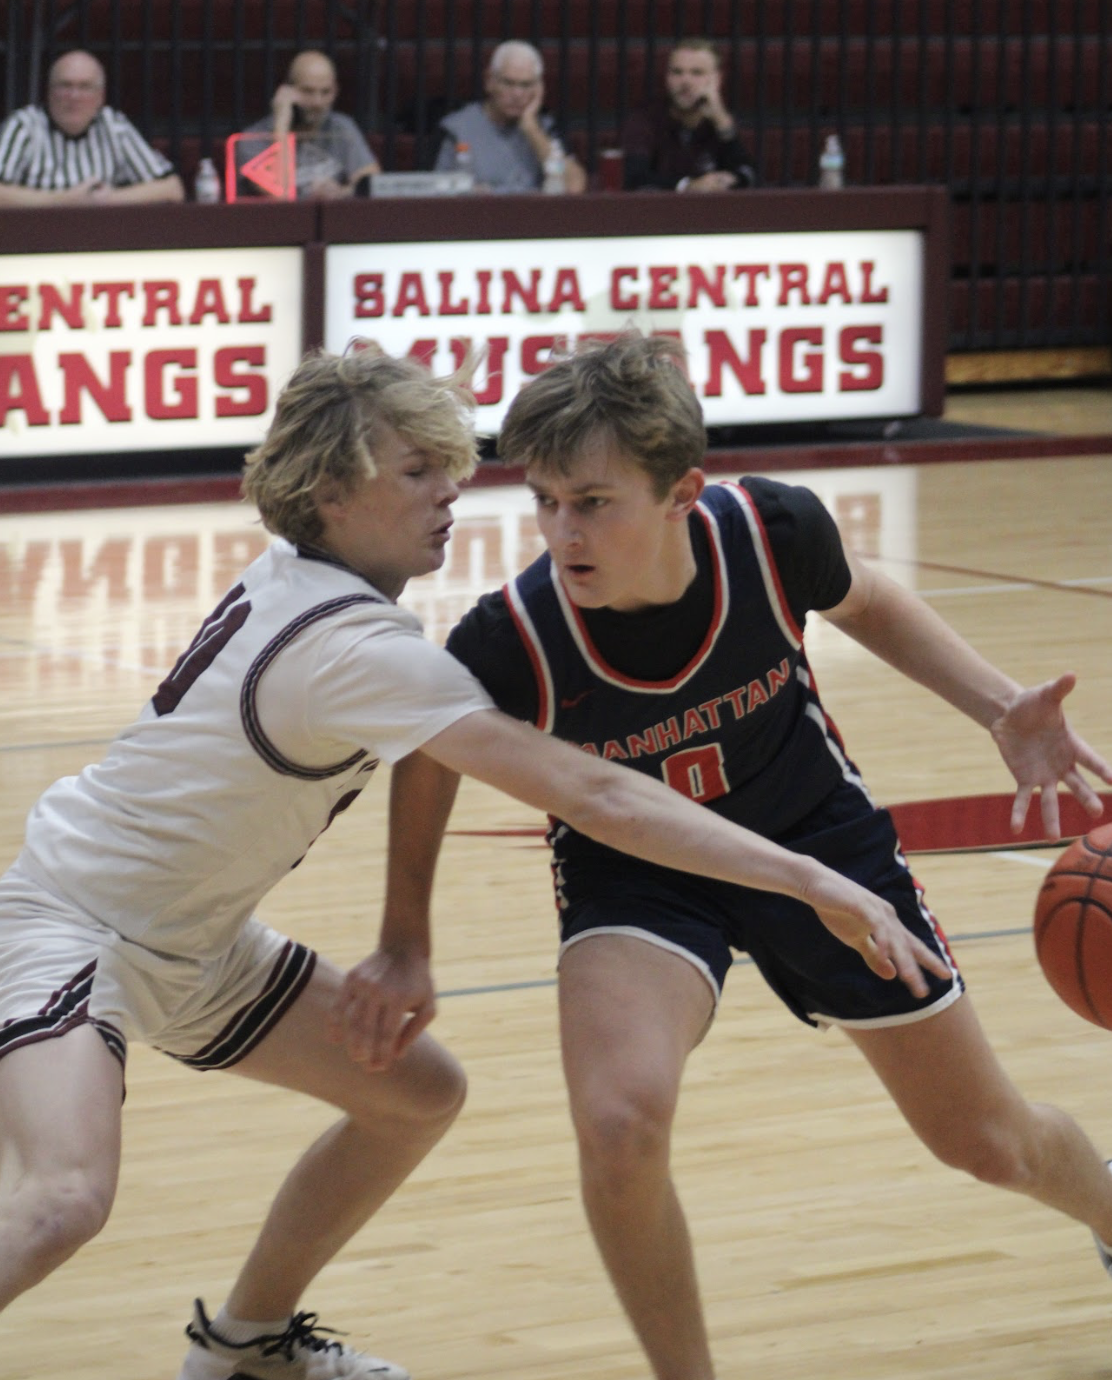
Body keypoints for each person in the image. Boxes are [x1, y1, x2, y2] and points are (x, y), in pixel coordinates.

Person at [0, 344, 945, 1380]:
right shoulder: (353, 646)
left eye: (448, 463)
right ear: (331, 489)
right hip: (71, 926)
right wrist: (808, 877)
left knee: (415, 1093)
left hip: (191, 944)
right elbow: (594, 793)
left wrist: (404, 940)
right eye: (416, 471)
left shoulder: (309, 583)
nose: (451, 487)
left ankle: (244, 1345)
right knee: (64, 1200)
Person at [368, 333, 1112, 1380]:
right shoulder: (513, 637)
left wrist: (997, 707)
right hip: (637, 877)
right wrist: (404, 937)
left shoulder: (770, 533)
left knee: (987, 1143)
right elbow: (429, 762)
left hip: (816, 838)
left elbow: (871, 602)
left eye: (591, 502)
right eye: (543, 501)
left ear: (681, 492)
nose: (559, 532)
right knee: (619, 1124)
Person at [0, 49, 184, 206]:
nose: (73, 96)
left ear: (100, 96)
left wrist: (109, 199)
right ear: (49, 92)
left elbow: (171, 188)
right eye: (65, 86)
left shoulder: (113, 125)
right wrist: (62, 201)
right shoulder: (24, 125)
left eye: (85, 87)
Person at [432, 40, 587, 194]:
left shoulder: (545, 129)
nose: (517, 94)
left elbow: (573, 187)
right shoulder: (457, 128)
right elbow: (436, 191)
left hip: (534, 217)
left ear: (538, 89)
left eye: (526, 85)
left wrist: (532, 129)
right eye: (508, 83)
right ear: (489, 81)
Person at [239, 50, 379, 200]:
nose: (317, 102)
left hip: (331, 220)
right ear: (286, 91)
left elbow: (373, 184)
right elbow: (281, 196)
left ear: (336, 91)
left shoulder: (341, 127)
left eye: (326, 92)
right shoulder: (251, 140)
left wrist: (340, 192)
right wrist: (281, 129)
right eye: (308, 91)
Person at [621, 38, 756, 192]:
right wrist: (689, 186)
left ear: (717, 79)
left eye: (697, 73)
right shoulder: (645, 118)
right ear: (667, 77)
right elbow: (634, 177)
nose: (685, 81)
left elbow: (749, 174)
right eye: (677, 72)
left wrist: (723, 124)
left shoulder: (721, 120)